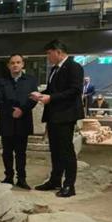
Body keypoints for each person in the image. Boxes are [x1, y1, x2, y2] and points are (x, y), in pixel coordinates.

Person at [30, 39, 83, 198]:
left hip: (66, 115)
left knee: (66, 150)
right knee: (55, 150)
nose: (48, 57)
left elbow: (75, 90)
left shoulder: (74, 67)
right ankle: (55, 180)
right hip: (53, 115)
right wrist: (41, 94)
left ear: (58, 52)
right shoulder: (55, 69)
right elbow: (53, 90)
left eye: (49, 53)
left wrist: (51, 98)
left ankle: (69, 185)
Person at [0, 54, 37, 190]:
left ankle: (22, 179)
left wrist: (22, 110)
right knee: (7, 151)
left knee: (21, 152)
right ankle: (8, 177)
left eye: (18, 62)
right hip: (6, 120)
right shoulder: (2, 81)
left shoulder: (30, 80)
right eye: (12, 63)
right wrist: (11, 111)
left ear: (23, 64)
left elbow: (33, 99)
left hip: (23, 120)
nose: (15, 65)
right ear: (8, 65)